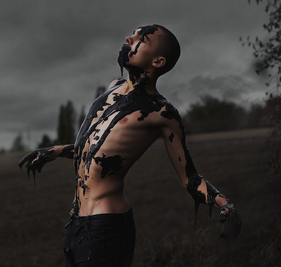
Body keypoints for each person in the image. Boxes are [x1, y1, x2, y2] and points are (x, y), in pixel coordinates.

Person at [19, 24, 241, 267]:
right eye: (132, 34)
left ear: (158, 61)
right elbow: (95, 152)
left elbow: (189, 177)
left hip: (106, 227)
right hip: (75, 222)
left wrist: (223, 203)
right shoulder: (113, 89)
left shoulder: (161, 112)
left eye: (140, 39)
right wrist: (54, 151)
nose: (128, 38)